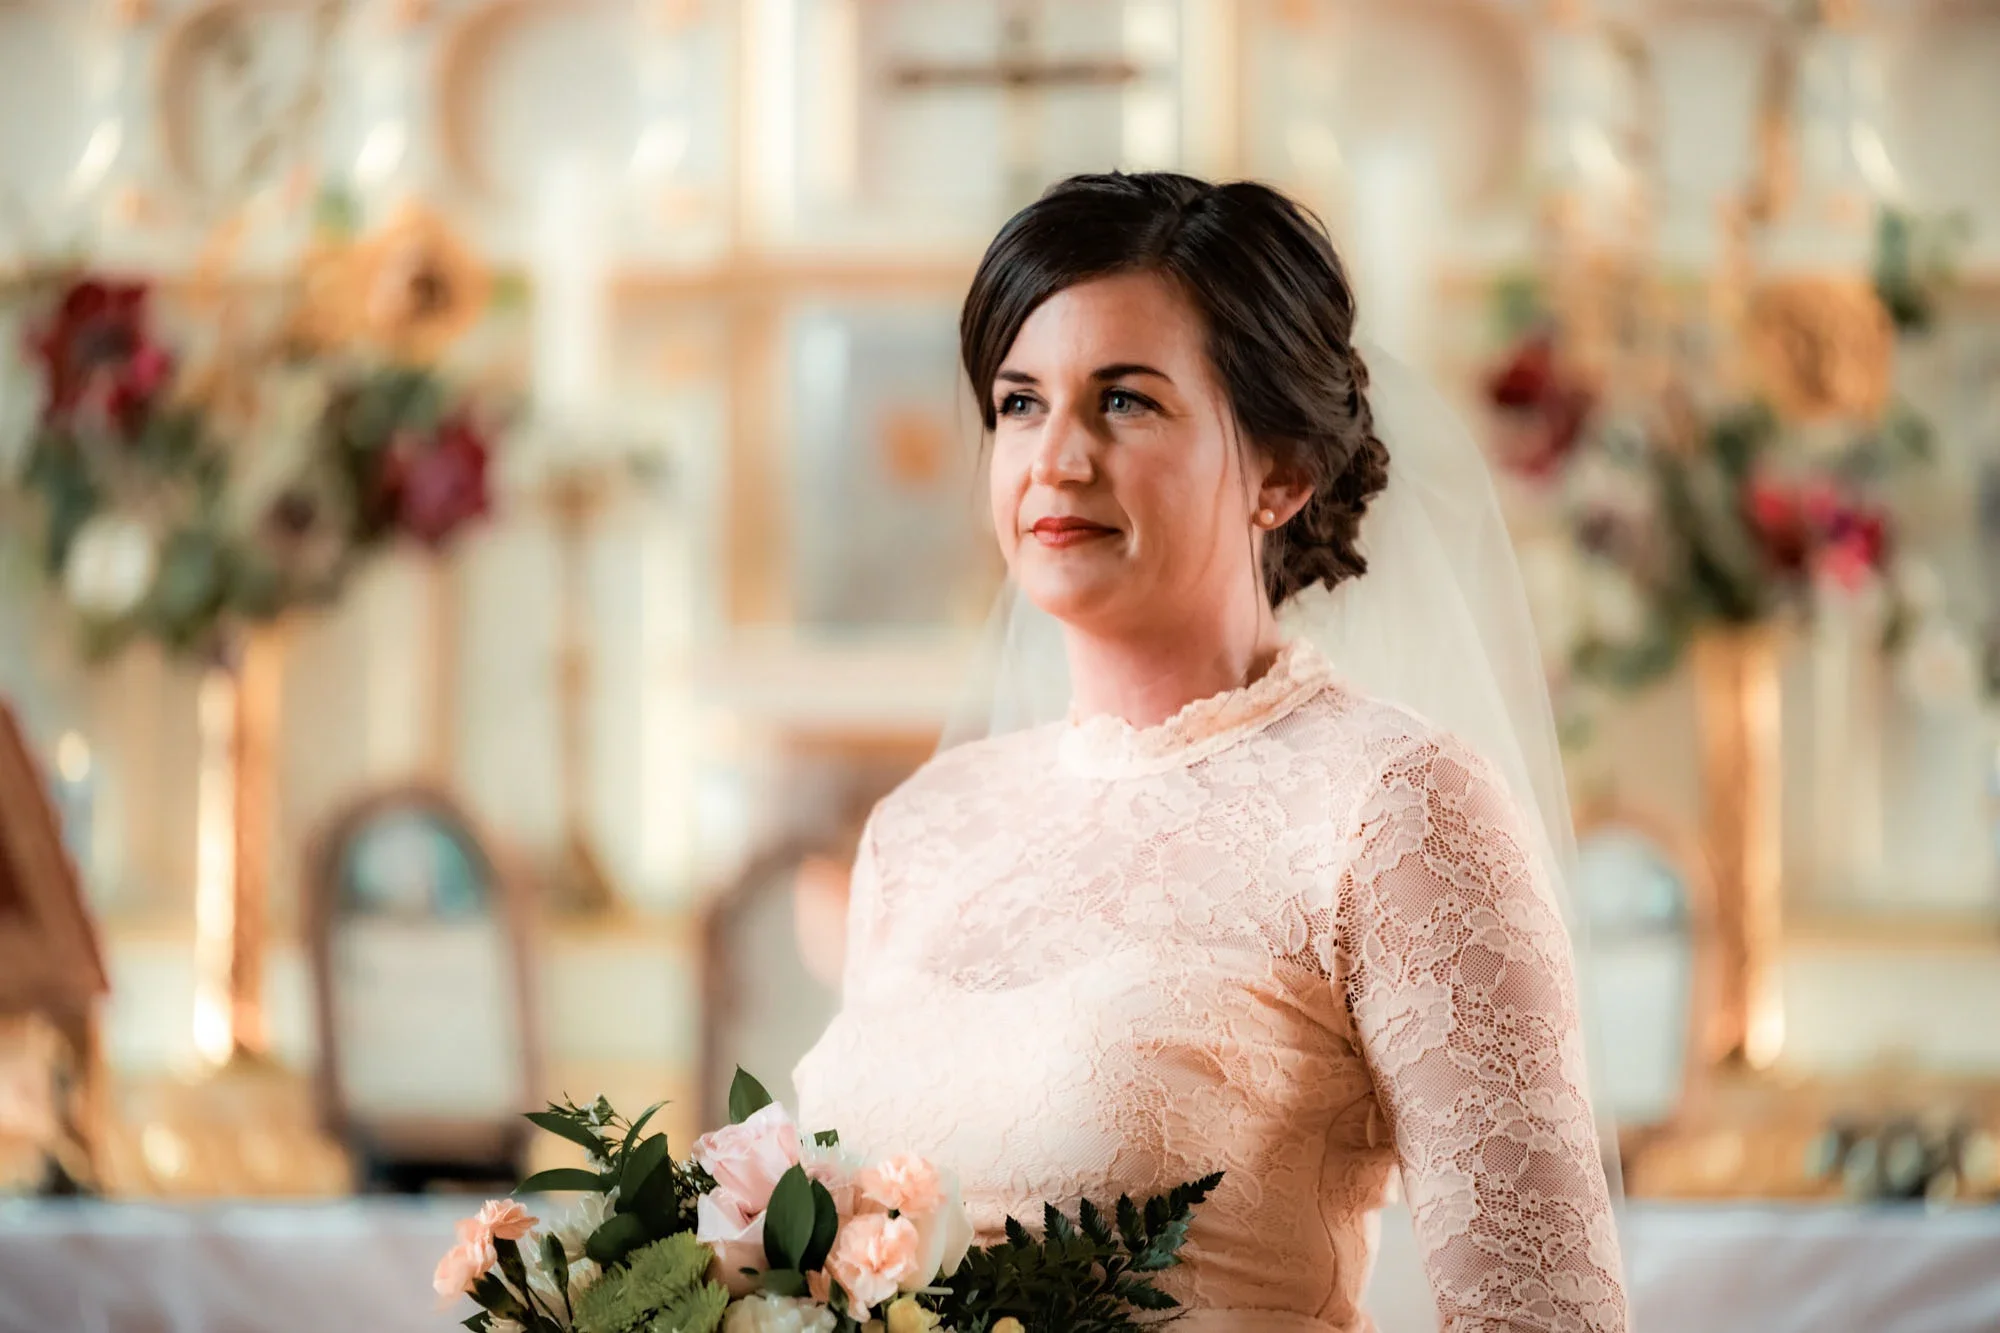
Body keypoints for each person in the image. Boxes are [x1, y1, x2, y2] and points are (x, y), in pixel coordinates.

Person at [794, 172, 1628, 1333]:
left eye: (1124, 402)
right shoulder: (923, 825)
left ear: (1280, 469)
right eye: (1020, 403)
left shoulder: (1394, 809)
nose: (1056, 459)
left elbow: (1542, 1317)